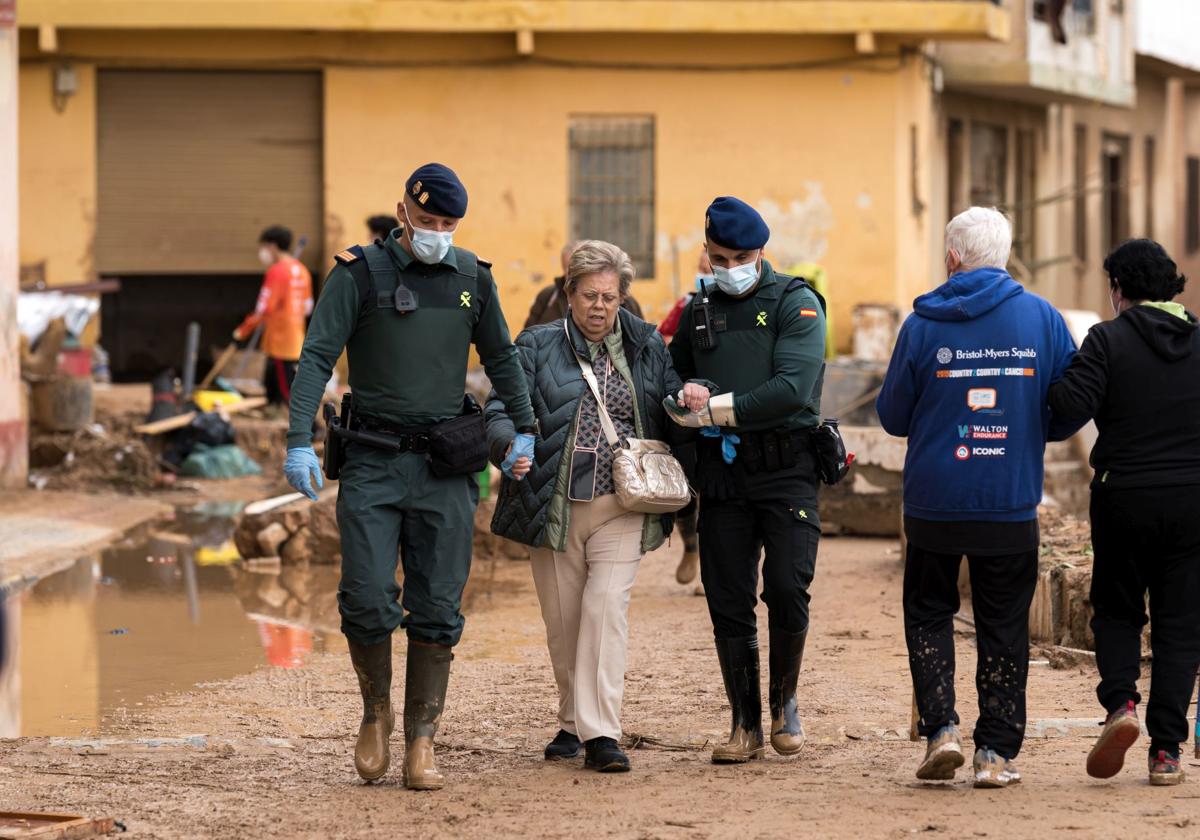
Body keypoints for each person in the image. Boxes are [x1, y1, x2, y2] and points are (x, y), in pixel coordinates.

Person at [283, 163, 537, 791]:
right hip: (371, 460)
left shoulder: (472, 278)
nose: (437, 234)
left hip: (447, 466)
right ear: (403, 212)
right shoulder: (359, 274)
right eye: (427, 222)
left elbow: (501, 356)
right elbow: (317, 354)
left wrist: (525, 428)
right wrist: (299, 441)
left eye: (449, 225)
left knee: (438, 606)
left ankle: (423, 739)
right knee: (366, 597)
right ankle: (376, 714)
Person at [876, 207, 1078, 788]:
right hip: (1009, 501)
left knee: (928, 613)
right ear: (1006, 254)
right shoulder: (1042, 319)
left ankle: (941, 730)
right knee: (1005, 624)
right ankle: (995, 754)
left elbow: (891, 416)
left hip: (933, 503)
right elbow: (1066, 412)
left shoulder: (921, 324)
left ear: (951, 258)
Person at [486, 240, 694, 773]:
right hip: (551, 504)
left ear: (623, 296)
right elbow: (498, 409)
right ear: (568, 294)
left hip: (621, 502)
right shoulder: (534, 345)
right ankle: (571, 721)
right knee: (566, 622)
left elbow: (671, 400)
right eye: (588, 296)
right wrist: (507, 444)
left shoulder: (646, 343)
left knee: (606, 611)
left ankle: (602, 732)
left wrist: (694, 396)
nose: (599, 307)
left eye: (610, 296)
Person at [666, 196, 827, 765]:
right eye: (717, 257)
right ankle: (744, 723)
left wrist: (714, 409)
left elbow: (792, 388)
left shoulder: (795, 302)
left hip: (786, 470)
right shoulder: (699, 308)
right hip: (725, 474)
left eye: (739, 256)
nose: (728, 266)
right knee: (728, 598)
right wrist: (681, 392)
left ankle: (785, 702)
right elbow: (676, 367)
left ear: (761, 253)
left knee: (786, 585)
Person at [1048, 239, 1200, 787]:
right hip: (1192, 502)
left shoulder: (1107, 340)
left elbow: (1067, 408)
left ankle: (1121, 705)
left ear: (1118, 291)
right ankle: (1166, 753)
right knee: (1181, 626)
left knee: (1117, 610)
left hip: (1125, 498)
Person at [659, 248, 716, 592]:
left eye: (707, 266)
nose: (704, 272)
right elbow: (663, 339)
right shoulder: (686, 304)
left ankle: (713, 564)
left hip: (722, 408)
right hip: (684, 407)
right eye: (700, 267)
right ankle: (690, 548)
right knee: (685, 486)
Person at [233, 225, 314, 406]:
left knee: (285, 390)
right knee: (276, 378)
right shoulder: (302, 270)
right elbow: (308, 307)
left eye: (263, 247)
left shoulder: (276, 271)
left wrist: (243, 330)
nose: (262, 253)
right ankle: (274, 408)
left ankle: (299, 422)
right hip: (296, 337)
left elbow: (264, 308)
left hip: (279, 338)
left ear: (272, 246)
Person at [524, 242, 644, 328]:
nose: (598, 305)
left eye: (608, 298)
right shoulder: (549, 296)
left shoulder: (627, 302)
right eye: (589, 295)